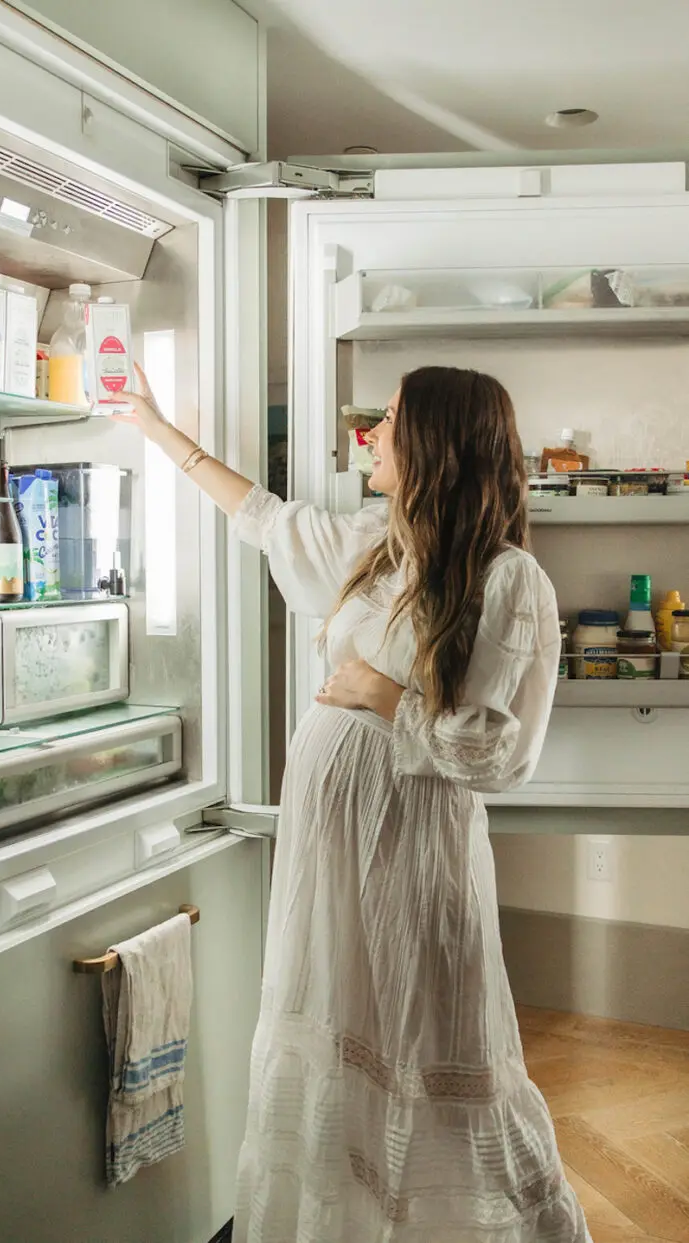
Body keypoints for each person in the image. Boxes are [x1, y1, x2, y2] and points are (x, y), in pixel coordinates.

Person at [118, 364, 590, 1242]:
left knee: (431, 1041)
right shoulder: (378, 544)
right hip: (326, 855)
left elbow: (501, 754)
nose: (370, 432)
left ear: (435, 445)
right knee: (338, 1035)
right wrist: (152, 425)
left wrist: (382, 693)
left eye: (392, 419)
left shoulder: (510, 578)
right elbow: (260, 515)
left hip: (415, 859)